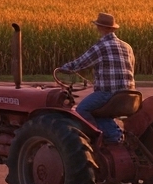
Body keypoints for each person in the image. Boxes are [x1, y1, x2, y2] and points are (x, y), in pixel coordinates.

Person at [57, 12, 135, 143]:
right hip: (129, 93)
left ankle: (98, 137)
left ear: (101, 27)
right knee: (98, 111)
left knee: (82, 110)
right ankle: (113, 133)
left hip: (108, 93)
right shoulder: (127, 47)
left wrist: (63, 69)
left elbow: (80, 62)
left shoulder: (101, 47)